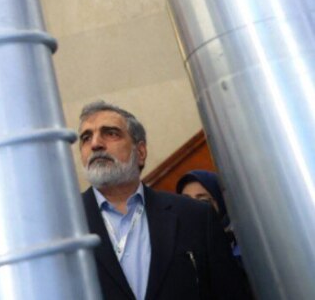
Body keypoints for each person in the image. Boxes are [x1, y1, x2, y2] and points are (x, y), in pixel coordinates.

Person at [77, 101, 250, 300]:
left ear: (140, 152)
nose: (96, 144)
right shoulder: (62, 226)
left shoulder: (195, 217)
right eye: (86, 138)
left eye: (111, 133)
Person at [177, 170, 242, 265]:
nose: (194, 208)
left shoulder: (243, 242)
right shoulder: (183, 250)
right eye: (187, 202)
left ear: (221, 202)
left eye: (203, 201)